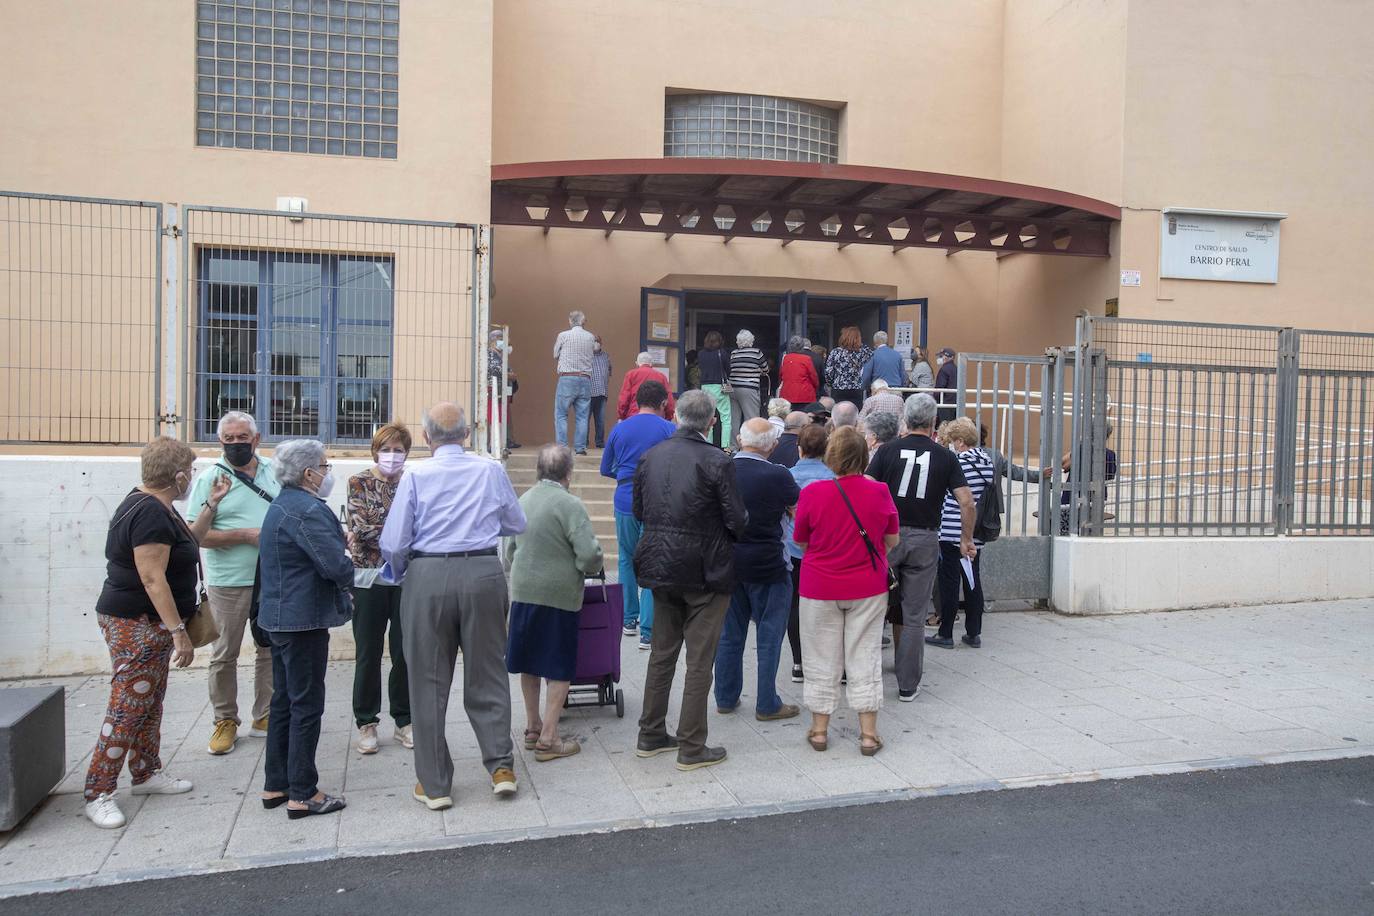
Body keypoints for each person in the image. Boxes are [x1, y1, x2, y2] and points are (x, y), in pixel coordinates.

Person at [380, 403, 526, 810]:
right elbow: (517, 523)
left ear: (426, 438)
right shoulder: (489, 469)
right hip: (482, 571)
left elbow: (393, 543)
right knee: (488, 672)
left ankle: (435, 783)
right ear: (467, 434)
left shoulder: (415, 475)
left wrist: (400, 571)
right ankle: (501, 768)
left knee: (426, 680)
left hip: (428, 575)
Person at [83, 438, 230, 829]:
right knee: (128, 706)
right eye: (191, 472)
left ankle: (146, 773)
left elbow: (191, 542)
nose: (192, 478)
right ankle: (98, 791)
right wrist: (178, 631)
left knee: (150, 701)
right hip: (138, 622)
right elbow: (151, 577)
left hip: (147, 623)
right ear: (179, 476)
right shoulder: (150, 513)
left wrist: (211, 504)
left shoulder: (156, 505)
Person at [632, 390, 747, 771]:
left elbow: (639, 509)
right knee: (699, 661)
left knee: (662, 654)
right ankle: (692, 745)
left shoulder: (651, 456)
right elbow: (737, 519)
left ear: (676, 416)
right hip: (705, 569)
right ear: (712, 422)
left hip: (661, 563)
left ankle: (650, 732)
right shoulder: (717, 460)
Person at [257, 439, 354, 819]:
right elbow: (335, 567)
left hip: (281, 618)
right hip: (303, 620)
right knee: (306, 706)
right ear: (309, 473)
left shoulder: (281, 503)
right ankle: (303, 792)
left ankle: (276, 783)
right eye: (325, 466)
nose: (328, 472)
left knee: (284, 702)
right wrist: (345, 556)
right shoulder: (307, 509)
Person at [792, 427, 899, 755]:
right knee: (864, 654)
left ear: (830, 455)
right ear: (864, 457)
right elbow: (892, 539)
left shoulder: (812, 493)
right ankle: (868, 735)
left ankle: (820, 730)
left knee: (820, 655)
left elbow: (800, 539)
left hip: (819, 585)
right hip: (867, 585)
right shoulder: (879, 491)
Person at [866, 394, 975, 701]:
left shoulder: (887, 451)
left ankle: (865, 676)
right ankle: (907, 684)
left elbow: (866, 489)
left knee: (872, 608)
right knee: (914, 615)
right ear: (932, 423)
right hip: (926, 538)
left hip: (887, 536)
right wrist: (966, 539)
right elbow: (966, 500)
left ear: (906, 420)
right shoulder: (945, 456)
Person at [185, 410, 280, 757]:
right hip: (230, 581)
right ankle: (225, 720)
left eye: (243, 438)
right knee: (224, 652)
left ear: (256, 439)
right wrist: (242, 535)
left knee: (269, 647)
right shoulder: (211, 479)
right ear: (220, 442)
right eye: (230, 439)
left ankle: (265, 714)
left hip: (272, 576)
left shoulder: (274, 471)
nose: (237, 444)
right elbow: (197, 535)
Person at [505, 444, 605, 762]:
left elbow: (508, 553)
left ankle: (533, 727)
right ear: (568, 473)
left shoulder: (522, 501)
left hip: (522, 592)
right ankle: (549, 738)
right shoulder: (570, 504)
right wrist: (589, 568)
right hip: (559, 595)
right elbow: (589, 555)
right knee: (559, 664)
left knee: (528, 661)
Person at [713, 419, 801, 721]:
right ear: (773, 446)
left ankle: (725, 696)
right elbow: (796, 512)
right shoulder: (779, 475)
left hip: (728, 563)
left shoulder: (720, 469)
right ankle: (767, 702)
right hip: (769, 563)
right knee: (770, 635)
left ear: (739, 438)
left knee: (729, 634)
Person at [346, 422, 413, 756]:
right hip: (369, 579)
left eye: (398, 450)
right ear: (375, 451)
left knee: (404, 652)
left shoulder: (414, 482)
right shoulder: (358, 481)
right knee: (368, 653)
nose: (392, 456)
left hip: (404, 579)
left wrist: (397, 533)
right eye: (386, 449)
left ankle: (404, 719)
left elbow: (423, 524)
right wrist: (402, 533)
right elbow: (361, 529)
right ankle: (366, 722)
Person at [601, 379, 676, 649]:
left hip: (624, 497)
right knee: (653, 561)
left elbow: (605, 468)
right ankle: (648, 630)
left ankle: (628, 620)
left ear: (636, 402)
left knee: (626, 558)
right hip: (657, 499)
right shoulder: (669, 428)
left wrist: (624, 476)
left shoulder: (620, 429)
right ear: (664, 403)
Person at [926, 418, 994, 650]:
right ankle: (974, 632)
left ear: (961, 441)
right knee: (973, 580)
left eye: (954, 441)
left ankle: (945, 633)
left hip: (952, 528)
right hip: (974, 528)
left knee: (949, 582)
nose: (953, 445)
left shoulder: (957, 461)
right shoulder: (987, 461)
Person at [783, 423, 834, 683]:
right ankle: (830, 661)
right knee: (828, 607)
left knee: (795, 606)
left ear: (799, 448)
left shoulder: (788, 476)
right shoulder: (834, 479)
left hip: (794, 549)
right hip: (827, 552)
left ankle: (799, 662)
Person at [1058, 420, 1119, 535]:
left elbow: (1064, 465)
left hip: (1072, 496)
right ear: (1107, 436)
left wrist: (1078, 447)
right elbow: (1111, 476)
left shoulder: (1081, 449)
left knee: (1067, 531)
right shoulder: (1110, 455)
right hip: (1096, 498)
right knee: (1091, 532)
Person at [553, 310, 596, 455]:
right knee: (582, 416)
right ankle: (580, 448)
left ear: (570, 321)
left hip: (567, 378)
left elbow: (555, 354)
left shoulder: (563, 335)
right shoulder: (591, 337)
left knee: (561, 414)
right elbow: (594, 351)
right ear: (583, 322)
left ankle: (562, 448)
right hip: (585, 379)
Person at [727, 329, 768, 442]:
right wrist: (758, 370)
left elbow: (731, 368)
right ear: (751, 340)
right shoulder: (756, 352)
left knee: (733, 420)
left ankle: (733, 447)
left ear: (738, 341)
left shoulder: (734, 353)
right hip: (749, 388)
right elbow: (766, 369)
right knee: (751, 419)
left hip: (733, 388)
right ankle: (750, 445)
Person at [617, 351, 677, 421]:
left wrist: (621, 416)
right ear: (651, 364)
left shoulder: (631, 375)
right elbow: (669, 400)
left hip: (633, 416)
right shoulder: (661, 377)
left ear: (636, 363)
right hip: (656, 418)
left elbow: (624, 398)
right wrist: (668, 417)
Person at [697, 330, 732, 448]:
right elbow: (728, 370)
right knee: (726, 418)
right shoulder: (722, 353)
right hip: (719, 387)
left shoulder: (701, 353)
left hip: (705, 387)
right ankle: (726, 446)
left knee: (708, 417)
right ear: (720, 341)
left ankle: (708, 444)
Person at [487, 328, 520, 450]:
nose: (505, 344)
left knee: (501, 417)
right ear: (494, 341)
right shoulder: (491, 354)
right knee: (495, 417)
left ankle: (500, 444)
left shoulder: (499, 355)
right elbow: (499, 372)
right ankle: (494, 445)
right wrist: (510, 375)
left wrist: (510, 375)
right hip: (494, 390)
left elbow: (508, 372)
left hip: (502, 390)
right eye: (502, 340)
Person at [825, 326, 871, 409]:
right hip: (856, 388)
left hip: (839, 388)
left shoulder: (836, 352)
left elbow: (829, 372)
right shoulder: (863, 352)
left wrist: (831, 384)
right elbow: (870, 356)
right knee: (855, 413)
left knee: (839, 414)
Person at [779, 335, 820, 406]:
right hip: (804, 394)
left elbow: (781, 375)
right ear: (802, 347)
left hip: (788, 393)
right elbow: (813, 377)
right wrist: (816, 387)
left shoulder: (785, 358)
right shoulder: (806, 359)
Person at [589, 334, 612, 449]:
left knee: (600, 421)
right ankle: (584, 444)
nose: (596, 343)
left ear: (601, 343)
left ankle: (600, 443)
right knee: (585, 420)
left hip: (602, 393)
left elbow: (609, 371)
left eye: (598, 341)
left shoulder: (606, 356)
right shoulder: (586, 355)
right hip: (588, 393)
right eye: (594, 341)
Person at [934, 347, 958, 426]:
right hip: (954, 403)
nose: (939, 358)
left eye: (941, 356)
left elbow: (940, 388)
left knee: (944, 428)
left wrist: (935, 400)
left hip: (944, 403)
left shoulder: (944, 369)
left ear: (949, 357)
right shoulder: (956, 369)